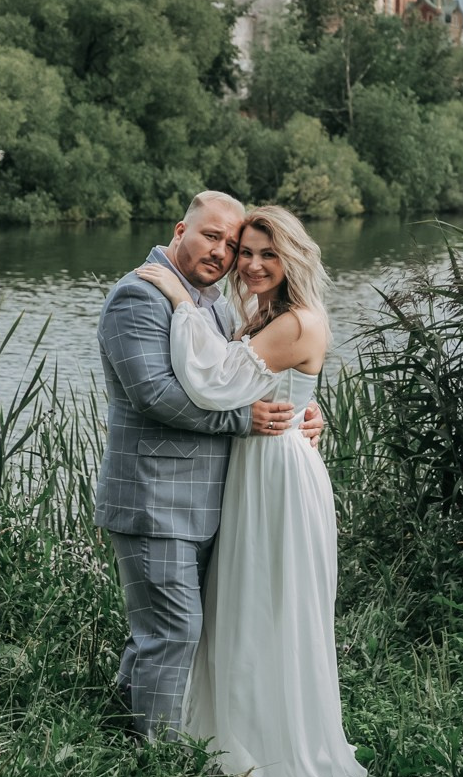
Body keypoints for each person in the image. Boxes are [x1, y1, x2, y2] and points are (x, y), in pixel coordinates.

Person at [136, 205, 367, 777]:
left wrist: (179, 302)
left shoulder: (295, 321)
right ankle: (232, 728)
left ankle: (276, 748)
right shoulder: (261, 314)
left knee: (274, 605)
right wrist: (312, 411)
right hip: (256, 471)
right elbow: (274, 386)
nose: (255, 263)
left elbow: (213, 380)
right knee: (245, 602)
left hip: (279, 478)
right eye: (248, 251)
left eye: (270, 252)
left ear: (294, 257)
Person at [95, 191, 322, 742]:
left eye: (233, 243)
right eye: (212, 237)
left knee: (165, 634)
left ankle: (119, 730)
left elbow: (247, 377)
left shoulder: (215, 304)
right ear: (180, 229)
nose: (225, 254)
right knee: (173, 631)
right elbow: (155, 394)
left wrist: (301, 415)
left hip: (212, 502)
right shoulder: (139, 296)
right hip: (155, 499)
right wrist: (248, 422)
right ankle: (158, 764)